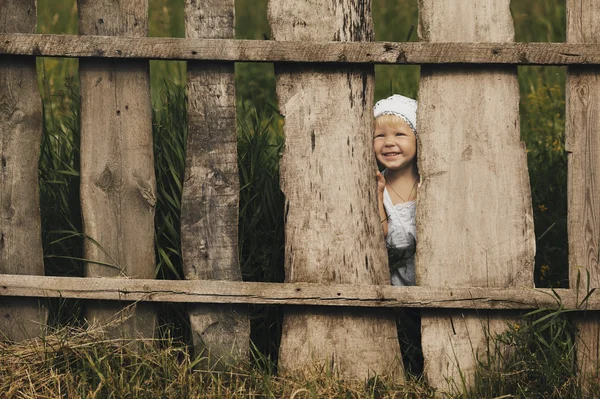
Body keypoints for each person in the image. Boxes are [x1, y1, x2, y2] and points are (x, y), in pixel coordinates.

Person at [373, 94, 419, 286]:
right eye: (380, 135)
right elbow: (380, 234)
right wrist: (378, 195)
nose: (389, 142)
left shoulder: (430, 183)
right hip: (392, 288)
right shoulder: (377, 185)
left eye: (399, 134)